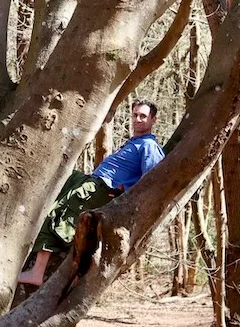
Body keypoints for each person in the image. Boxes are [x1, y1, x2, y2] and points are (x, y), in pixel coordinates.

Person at [17, 100, 164, 286]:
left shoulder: (149, 146)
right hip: (91, 183)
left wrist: (122, 191)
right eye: (135, 115)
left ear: (154, 120)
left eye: (143, 116)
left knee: (58, 216)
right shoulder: (134, 143)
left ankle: (37, 272)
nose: (138, 119)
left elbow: (151, 180)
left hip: (100, 189)